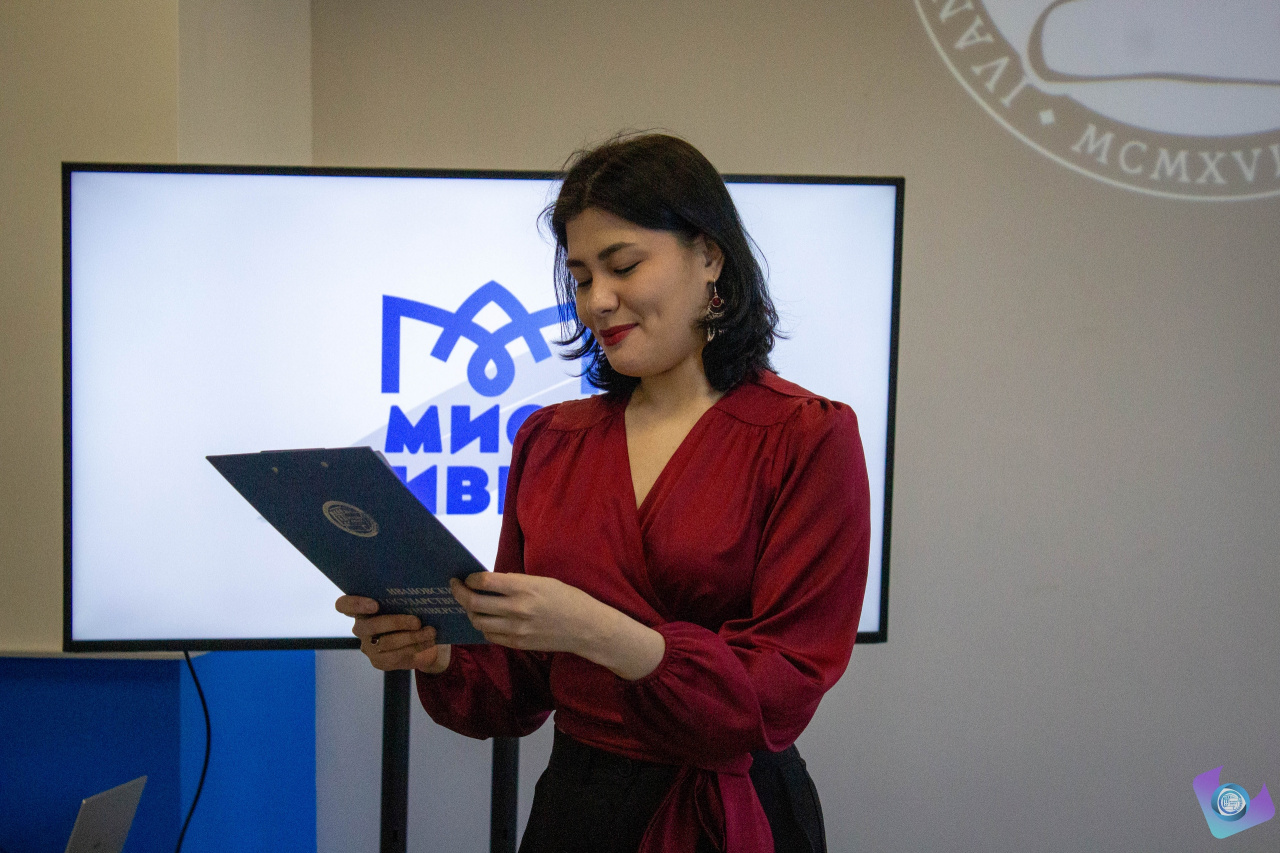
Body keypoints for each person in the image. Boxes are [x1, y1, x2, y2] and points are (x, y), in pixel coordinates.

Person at [336, 133, 871, 853]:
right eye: (582, 277)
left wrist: (599, 631)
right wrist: (435, 651)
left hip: (727, 814)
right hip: (577, 809)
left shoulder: (806, 436)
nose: (598, 301)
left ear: (710, 256)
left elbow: (781, 684)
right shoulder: (552, 440)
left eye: (623, 266)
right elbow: (520, 682)